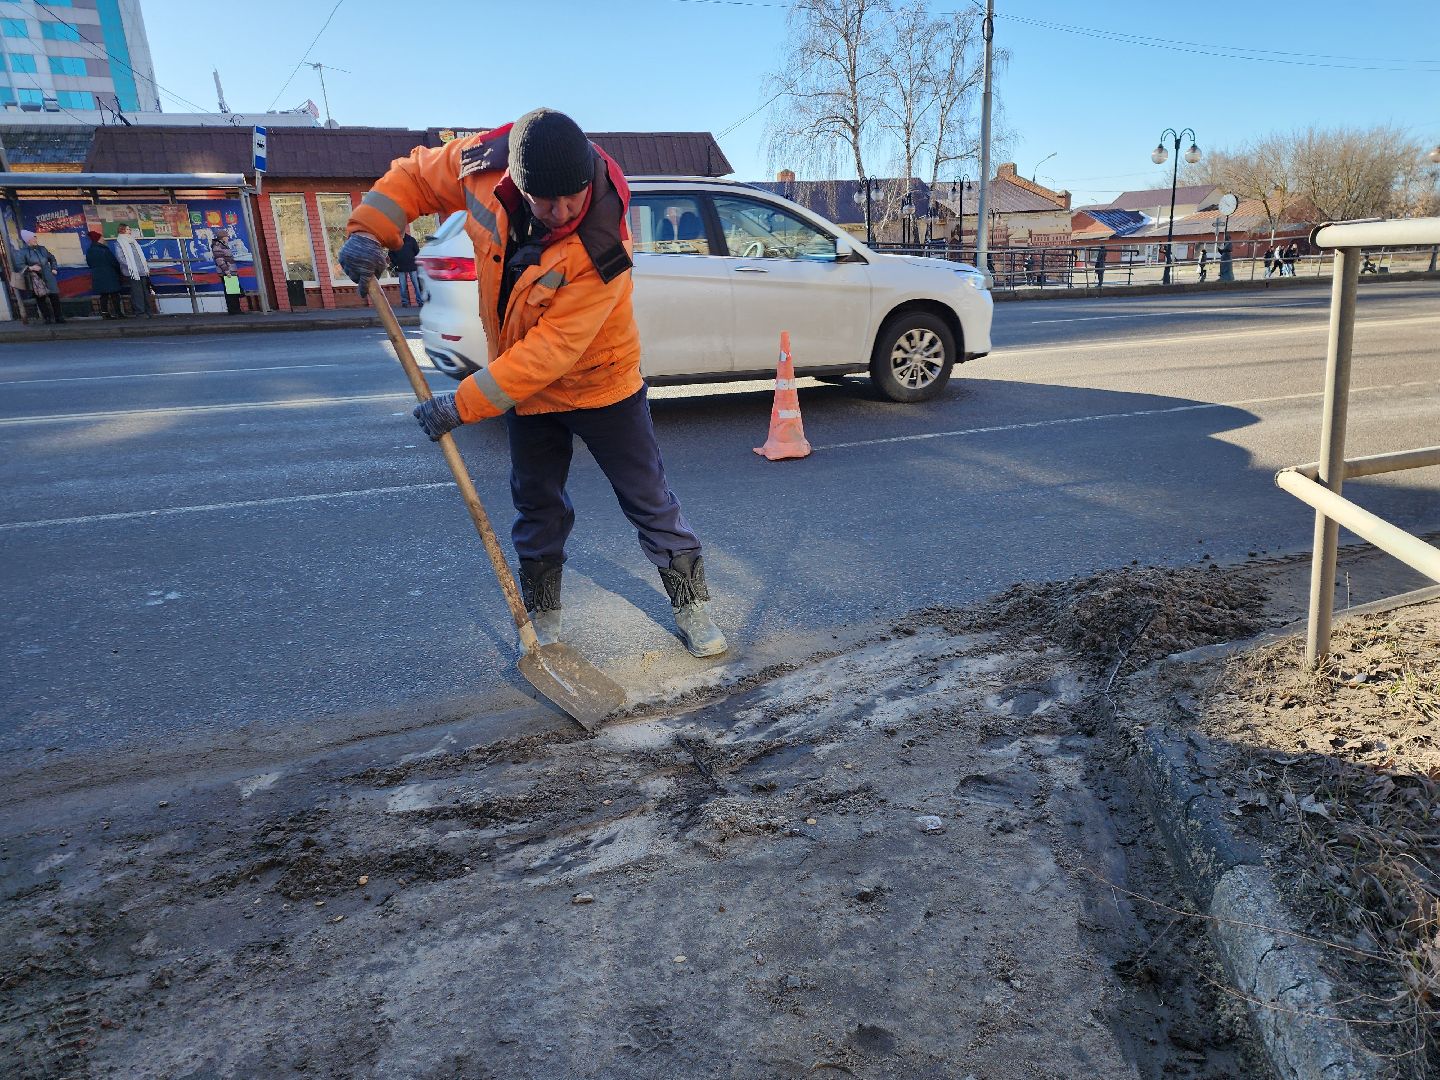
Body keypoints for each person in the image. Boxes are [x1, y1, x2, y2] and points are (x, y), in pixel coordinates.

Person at [338, 107, 726, 658]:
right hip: (528, 392)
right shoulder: (482, 164)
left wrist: (463, 404)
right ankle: (543, 614)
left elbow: (552, 352)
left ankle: (693, 605)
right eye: (548, 201)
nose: (563, 211)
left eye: (573, 197)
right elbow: (416, 177)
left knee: (647, 499)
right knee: (537, 504)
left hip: (601, 381)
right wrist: (372, 230)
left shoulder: (602, 241)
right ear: (517, 183)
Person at [17, 229, 65, 324]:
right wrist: (30, 268)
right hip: (36, 278)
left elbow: (52, 258)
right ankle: (47, 318)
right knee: (40, 299)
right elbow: (19, 265)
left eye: (35, 237)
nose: (35, 239)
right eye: (33, 238)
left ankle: (59, 317)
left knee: (54, 296)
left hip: (48, 275)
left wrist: (54, 268)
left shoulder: (42, 248)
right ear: (28, 240)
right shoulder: (23, 252)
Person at [112, 224, 154, 317]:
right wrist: (131, 267)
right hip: (132, 272)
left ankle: (148, 310)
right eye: (127, 229)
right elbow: (120, 258)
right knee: (137, 292)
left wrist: (145, 266)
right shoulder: (120, 242)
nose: (129, 230)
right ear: (122, 230)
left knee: (145, 292)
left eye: (129, 229)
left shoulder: (133, 241)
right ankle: (140, 312)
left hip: (142, 270)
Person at [85, 230, 126, 319]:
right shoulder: (104, 250)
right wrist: (119, 272)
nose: (103, 239)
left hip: (97, 276)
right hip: (110, 275)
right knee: (115, 294)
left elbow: (89, 264)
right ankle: (118, 313)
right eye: (102, 237)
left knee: (104, 295)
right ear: (98, 239)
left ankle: (105, 313)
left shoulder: (89, 251)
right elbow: (114, 262)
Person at [391, 228, 422, 307]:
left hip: (412, 266)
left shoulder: (411, 240)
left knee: (416, 285)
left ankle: (420, 301)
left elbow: (417, 252)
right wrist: (395, 263)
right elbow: (390, 253)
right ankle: (404, 302)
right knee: (403, 286)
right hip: (400, 267)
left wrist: (415, 262)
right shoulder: (394, 241)